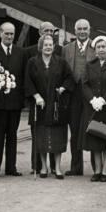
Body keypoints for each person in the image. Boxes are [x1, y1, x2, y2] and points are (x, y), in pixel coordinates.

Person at [25, 34, 75, 178]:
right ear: (41, 47)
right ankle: (44, 167)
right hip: (40, 105)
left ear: (54, 46)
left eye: (50, 44)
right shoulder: (32, 62)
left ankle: (57, 168)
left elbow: (69, 78)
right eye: (45, 45)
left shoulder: (61, 62)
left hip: (56, 105)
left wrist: (63, 88)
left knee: (58, 136)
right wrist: (36, 96)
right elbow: (28, 82)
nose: (48, 47)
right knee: (41, 136)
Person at [81, 36, 106, 182]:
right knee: (95, 139)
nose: (101, 49)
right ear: (95, 50)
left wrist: (104, 100)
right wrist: (93, 100)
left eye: (104, 46)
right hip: (93, 107)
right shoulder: (89, 65)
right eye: (98, 47)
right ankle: (97, 170)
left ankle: (105, 170)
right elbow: (84, 84)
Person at [0, 22, 26, 178]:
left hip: (15, 102)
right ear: (0, 33)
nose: (9, 36)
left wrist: (23, 99)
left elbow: (24, 77)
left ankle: (11, 167)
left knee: (12, 135)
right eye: (7, 33)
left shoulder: (21, 53)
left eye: (12, 34)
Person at [62, 19, 95, 176]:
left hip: (91, 94)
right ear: (75, 31)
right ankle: (76, 167)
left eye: (85, 29)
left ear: (90, 30)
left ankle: (98, 166)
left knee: (94, 128)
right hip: (73, 93)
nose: (82, 31)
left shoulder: (96, 47)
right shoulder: (66, 49)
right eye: (79, 29)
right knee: (74, 130)